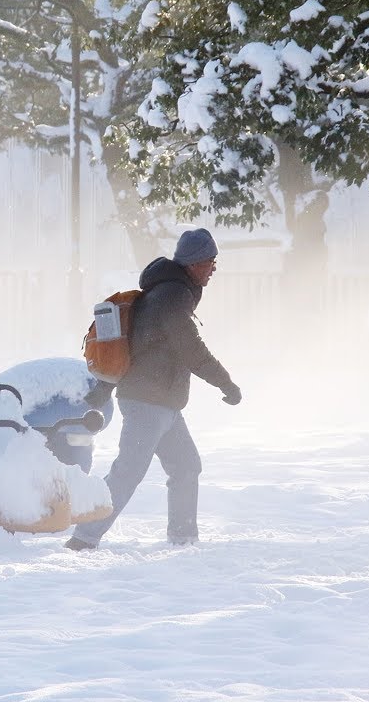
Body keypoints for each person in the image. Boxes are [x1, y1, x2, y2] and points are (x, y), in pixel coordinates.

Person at [65, 228, 241, 551]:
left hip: (165, 403)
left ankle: (184, 539)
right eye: (209, 261)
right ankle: (83, 538)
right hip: (148, 401)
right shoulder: (172, 297)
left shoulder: (169, 292)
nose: (213, 268)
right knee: (127, 472)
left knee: (186, 466)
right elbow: (193, 351)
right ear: (192, 263)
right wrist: (226, 383)